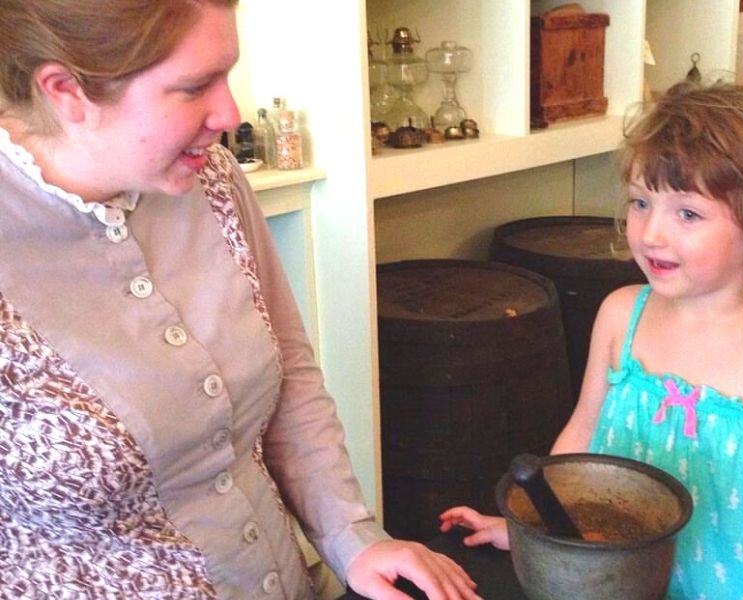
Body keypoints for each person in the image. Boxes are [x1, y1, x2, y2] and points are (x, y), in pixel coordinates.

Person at [0, 2, 482, 599]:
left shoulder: (213, 179)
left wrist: (352, 537)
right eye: (194, 86)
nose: (227, 113)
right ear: (66, 91)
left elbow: (292, 378)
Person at [441, 80, 743, 599]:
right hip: (615, 585)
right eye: (640, 202)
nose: (651, 233)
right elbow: (580, 441)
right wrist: (532, 531)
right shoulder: (621, 315)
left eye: (688, 213)